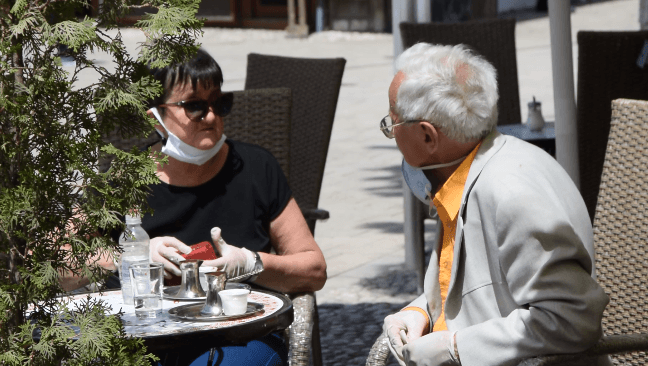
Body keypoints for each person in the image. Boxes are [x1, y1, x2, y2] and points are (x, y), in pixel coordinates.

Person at [66, 48, 326, 365]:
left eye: (220, 103)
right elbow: (60, 264)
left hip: (237, 333)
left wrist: (251, 263)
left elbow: (314, 269)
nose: (213, 117)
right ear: (156, 117)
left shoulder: (256, 167)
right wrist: (128, 258)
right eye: (195, 107)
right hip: (145, 337)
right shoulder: (123, 180)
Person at [380, 43, 610, 366]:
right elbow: (482, 288)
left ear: (428, 137)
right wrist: (420, 310)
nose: (391, 133)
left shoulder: (509, 193)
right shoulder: (460, 174)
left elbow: (573, 319)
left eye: (392, 123)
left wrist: (456, 348)